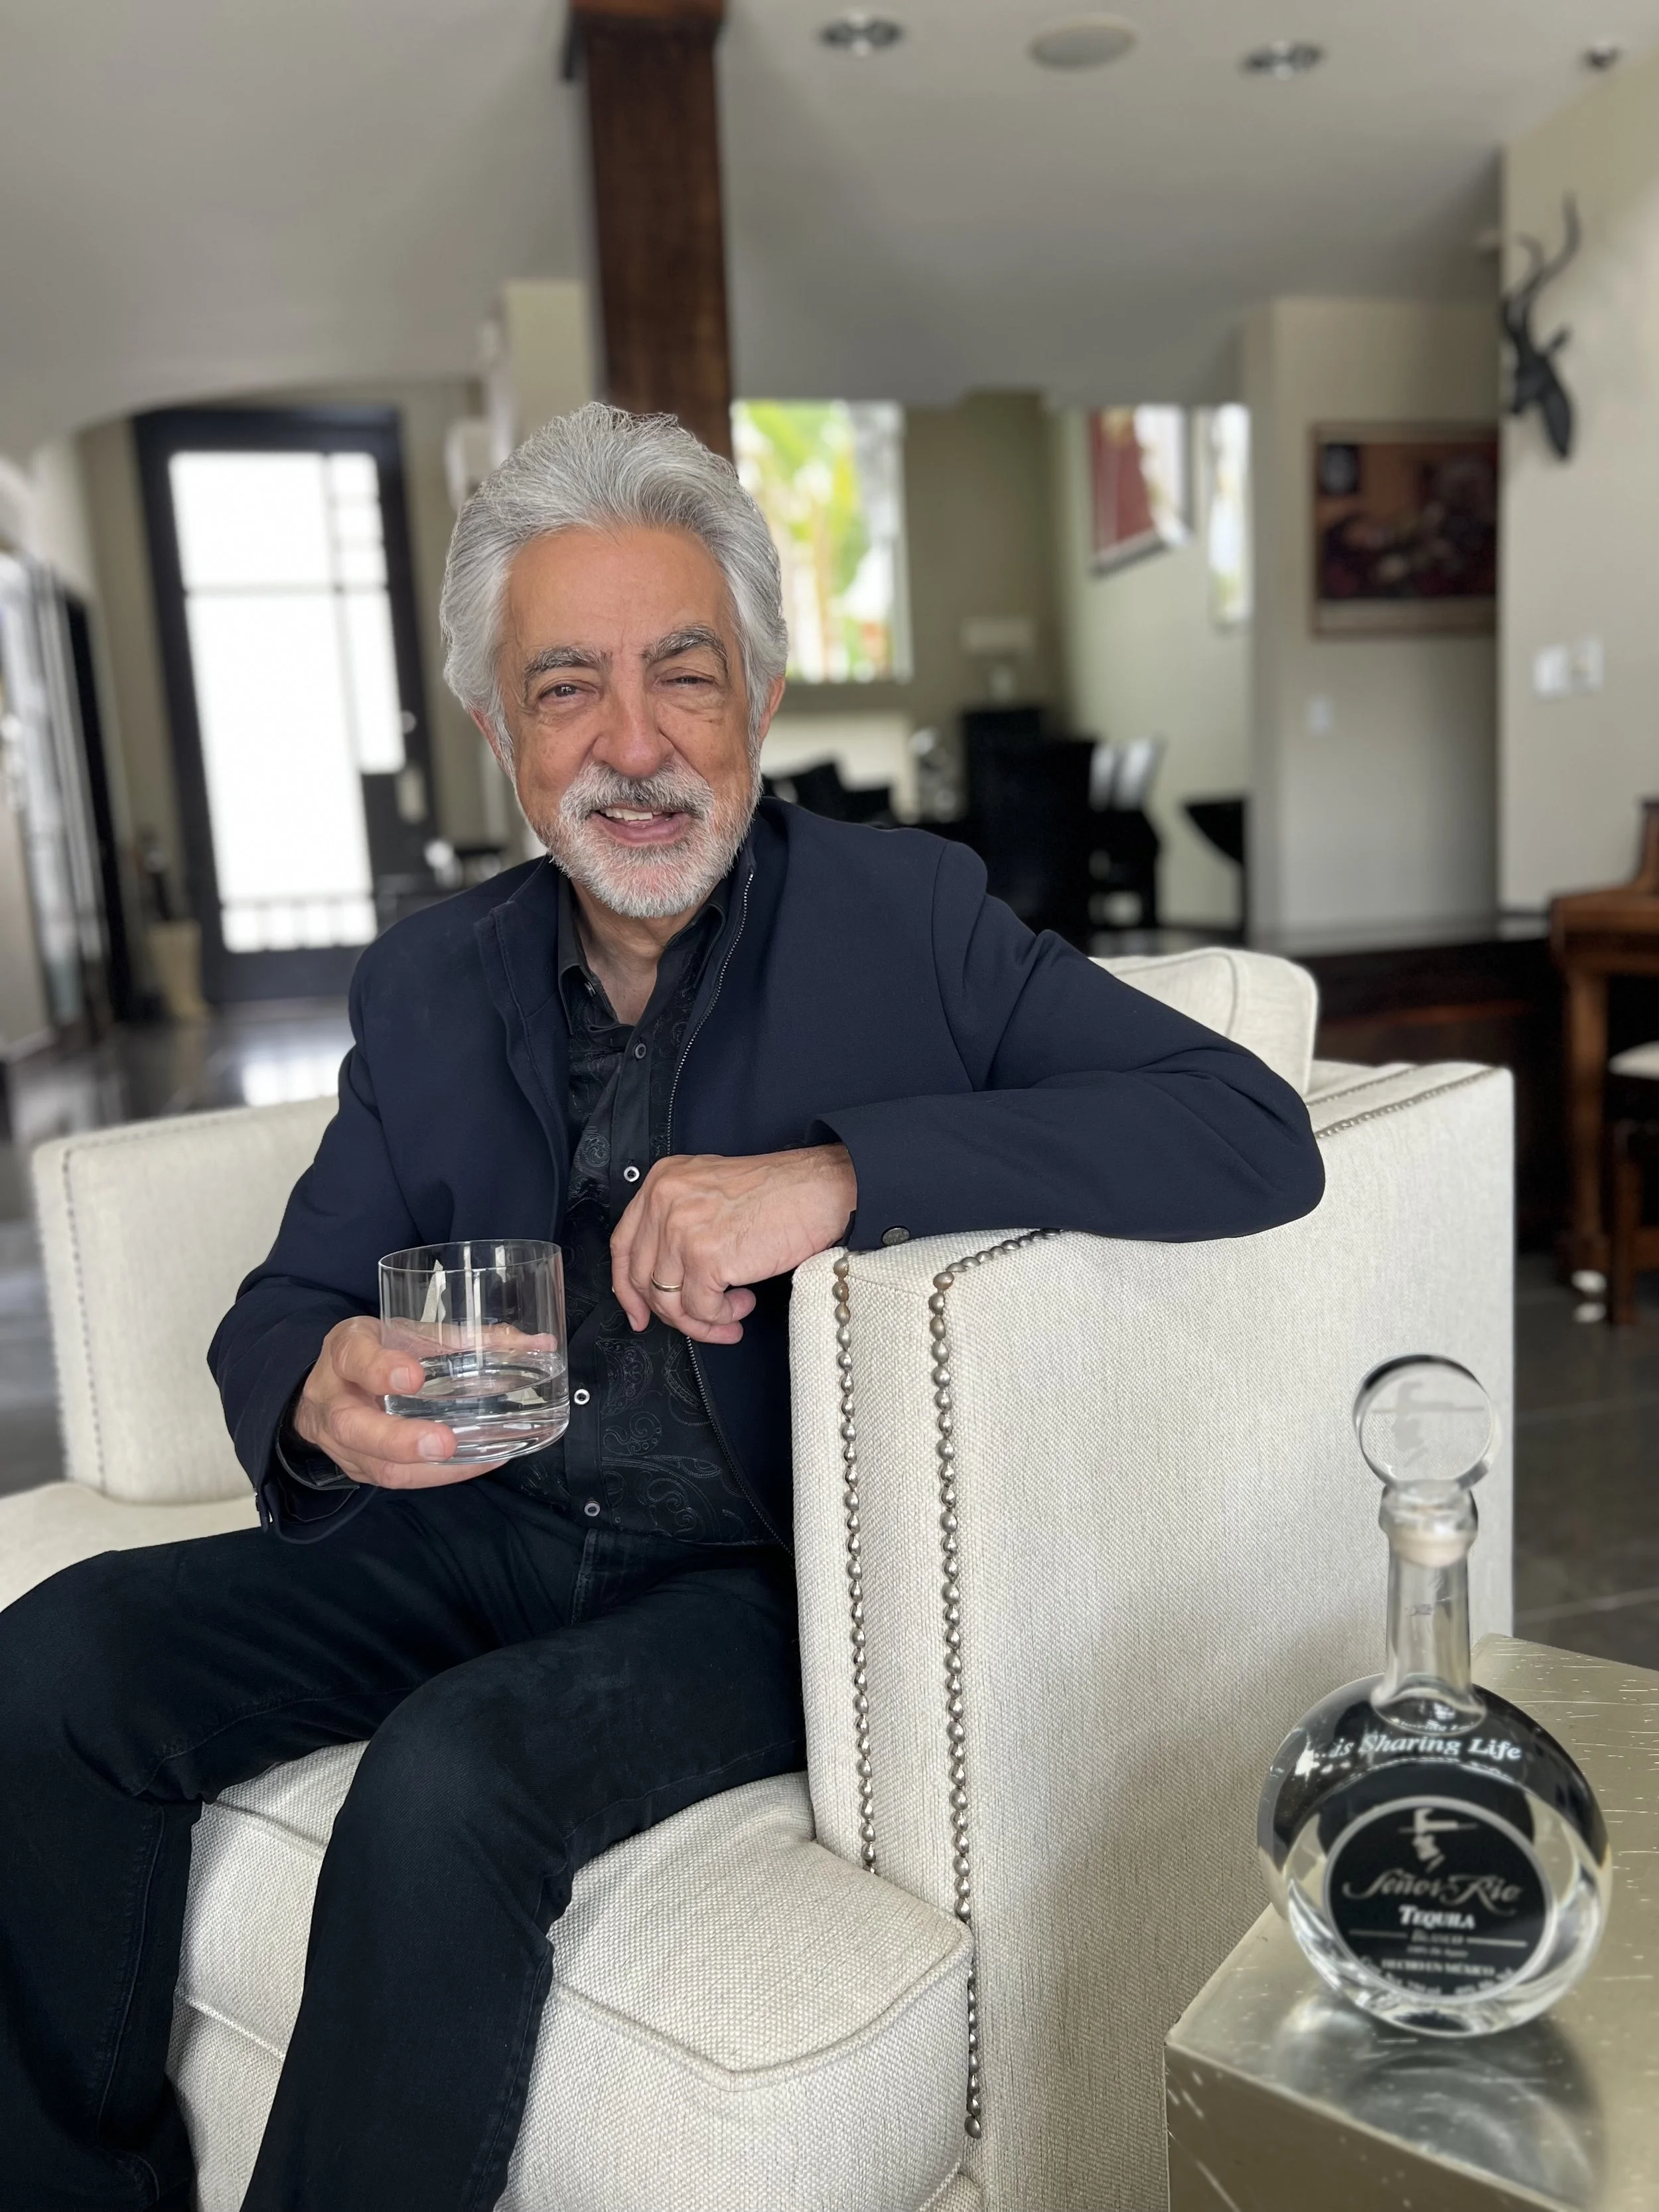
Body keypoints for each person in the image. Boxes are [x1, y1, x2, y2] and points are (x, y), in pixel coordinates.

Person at [0, 404, 1324, 2212]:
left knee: (448, 1781)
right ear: (498, 738)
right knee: (57, 1659)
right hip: (481, 1515)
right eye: (564, 690)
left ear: (758, 699)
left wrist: (843, 1174)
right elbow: (285, 1300)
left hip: (752, 1580)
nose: (633, 746)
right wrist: (325, 1381)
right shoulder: (430, 983)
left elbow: (1243, 1128)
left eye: (681, 675)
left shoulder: (909, 920)